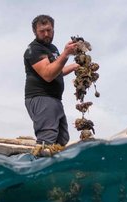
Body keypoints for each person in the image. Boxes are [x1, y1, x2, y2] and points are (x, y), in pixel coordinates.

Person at [24, 14, 78, 152]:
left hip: (54, 100)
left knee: (61, 140)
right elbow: (48, 74)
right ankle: (37, 170)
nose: (46, 34)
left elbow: (57, 71)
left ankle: (55, 173)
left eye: (49, 30)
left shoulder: (52, 49)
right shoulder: (34, 49)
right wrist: (66, 54)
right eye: (42, 31)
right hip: (41, 98)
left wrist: (75, 66)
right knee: (46, 142)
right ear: (35, 32)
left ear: (53, 30)